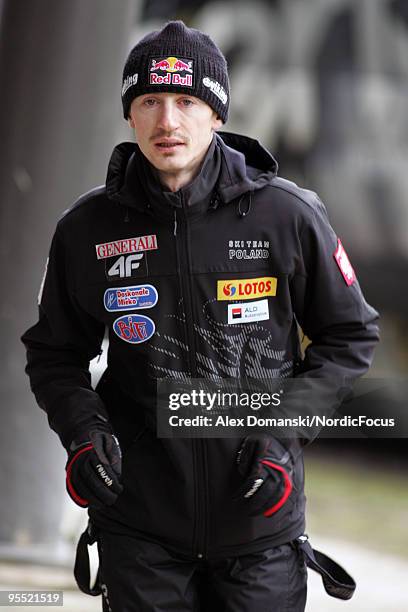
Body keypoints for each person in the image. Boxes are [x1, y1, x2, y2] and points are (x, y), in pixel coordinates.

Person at [22, 20, 379, 612]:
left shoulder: (287, 215)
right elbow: (54, 354)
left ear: (217, 114)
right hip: (139, 529)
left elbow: (350, 335)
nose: (168, 122)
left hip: (260, 525)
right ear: (128, 115)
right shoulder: (85, 230)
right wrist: (84, 434)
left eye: (187, 101)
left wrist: (284, 433)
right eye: (150, 102)